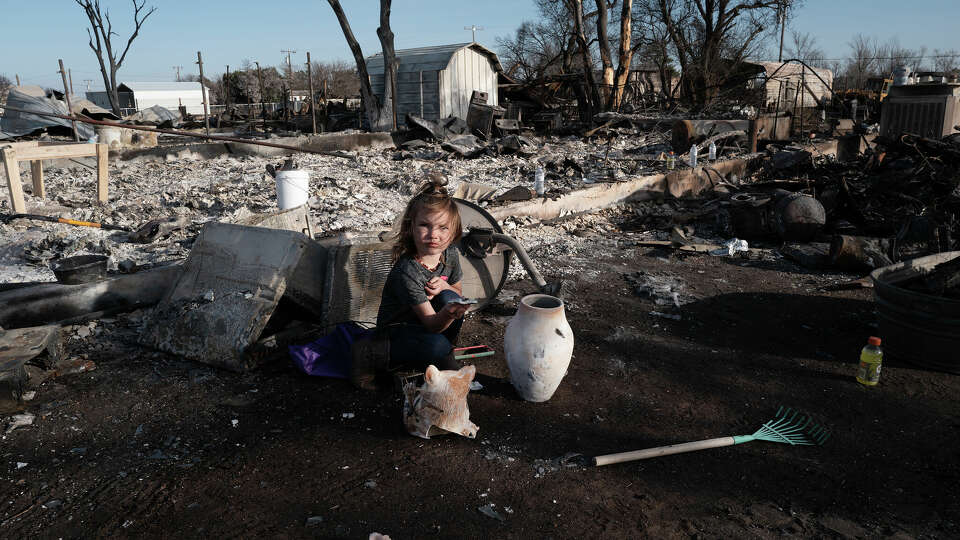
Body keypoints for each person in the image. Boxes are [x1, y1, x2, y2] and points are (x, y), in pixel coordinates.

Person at [351, 175, 471, 388]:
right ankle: (372, 353)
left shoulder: (450, 254)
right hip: (397, 332)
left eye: (443, 228)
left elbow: (457, 290)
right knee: (437, 344)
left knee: (451, 296)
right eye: (425, 225)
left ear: (454, 231)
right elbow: (432, 324)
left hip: (425, 324)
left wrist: (446, 289)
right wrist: (449, 312)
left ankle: (439, 354)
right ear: (411, 227)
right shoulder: (408, 270)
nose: (434, 235)